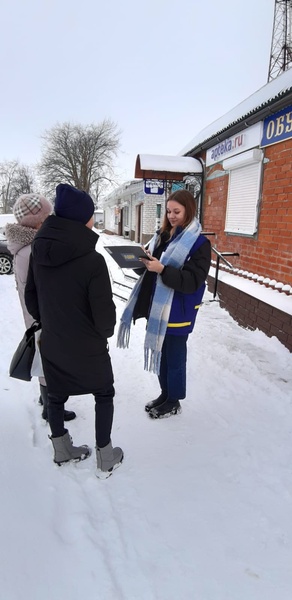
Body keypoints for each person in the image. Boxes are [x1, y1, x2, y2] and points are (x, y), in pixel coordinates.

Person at [25, 183, 123, 478]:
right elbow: (104, 315)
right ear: (83, 219)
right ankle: (105, 455)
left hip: (54, 340)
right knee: (104, 393)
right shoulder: (93, 261)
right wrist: (104, 332)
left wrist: (53, 322)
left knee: (55, 395)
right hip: (88, 345)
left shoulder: (37, 253)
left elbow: (32, 298)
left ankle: (61, 449)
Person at [117, 189, 211, 419]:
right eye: (169, 211)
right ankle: (164, 393)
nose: (171, 216)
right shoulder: (162, 236)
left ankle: (174, 400)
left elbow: (192, 281)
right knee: (162, 353)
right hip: (157, 308)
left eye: (177, 211)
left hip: (179, 310)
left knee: (175, 357)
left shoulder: (199, 244)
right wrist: (142, 261)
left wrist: (162, 269)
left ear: (189, 210)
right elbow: (152, 271)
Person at [5, 193, 76, 423]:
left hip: (34, 312)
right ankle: (50, 406)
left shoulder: (24, 245)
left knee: (42, 355)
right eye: (47, 217)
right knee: (48, 359)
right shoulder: (33, 248)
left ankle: (45, 399)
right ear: (37, 221)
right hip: (42, 313)